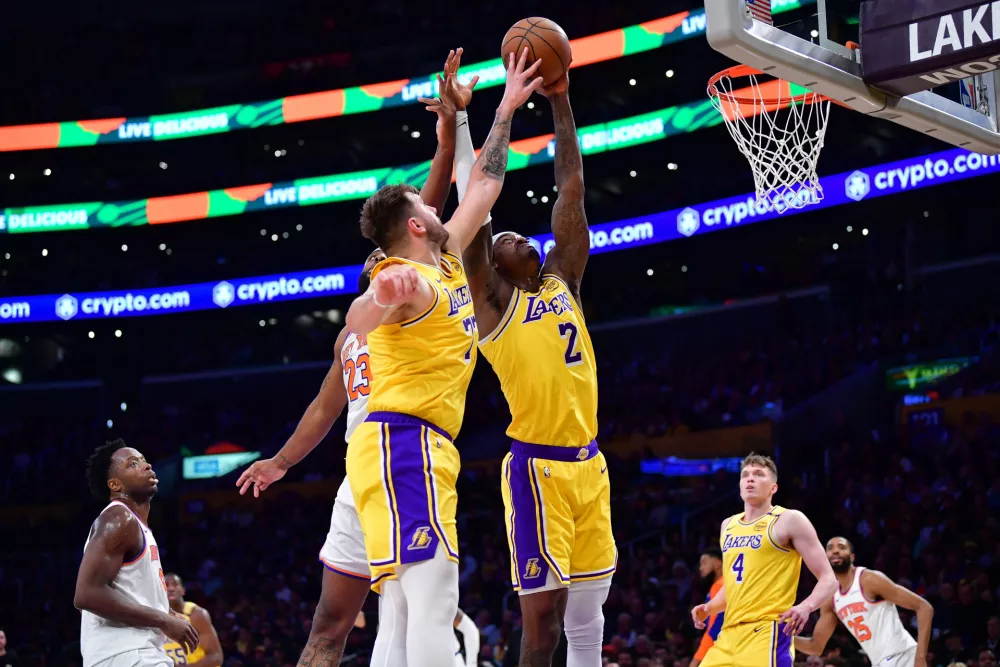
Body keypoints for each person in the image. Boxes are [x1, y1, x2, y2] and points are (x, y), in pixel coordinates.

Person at [234, 47, 470, 667]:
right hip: (384, 459)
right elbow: (323, 404)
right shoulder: (375, 314)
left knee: (370, 615)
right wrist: (281, 461)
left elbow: (429, 211)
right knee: (362, 617)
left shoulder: (396, 298)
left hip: (376, 461)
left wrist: (446, 140)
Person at [343, 46, 542, 667]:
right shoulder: (408, 278)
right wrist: (378, 298)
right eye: (428, 208)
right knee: (432, 599)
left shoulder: (447, 256)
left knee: (402, 614)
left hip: (407, 444)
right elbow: (357, 323)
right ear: (417, 228)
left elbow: (484, 181)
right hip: (405, 441)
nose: (438, 205)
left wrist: (502, 107)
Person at [460, 68, 614, 667]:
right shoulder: (494, 305)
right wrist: (481, 118)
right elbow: (477, 209)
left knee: (588, 617)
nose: (524, 240)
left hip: (589, 464)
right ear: (494, 263)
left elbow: (570, 186)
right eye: (509, 240)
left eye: (528, 237)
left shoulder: (564, 280)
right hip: (536, 469)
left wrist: (561, 100)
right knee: (542, 624)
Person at [690, 453, 837, 667]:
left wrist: (806, 607)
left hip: (767, 632)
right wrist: (710, 607)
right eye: (745, 475)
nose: (750, 479)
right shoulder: (728, 526)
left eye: (759, 474)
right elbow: (734, 583)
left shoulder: (789, 520)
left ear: (773, 488)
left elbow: (828, 579)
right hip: (729, 634)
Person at [74, 440, 198, 667]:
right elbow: (86, 594)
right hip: (129, 654)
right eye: (132, 464)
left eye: (144, 460)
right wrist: (162, 620)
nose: (147, 465)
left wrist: (166, 611)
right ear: (115, 484)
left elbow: (127, 591)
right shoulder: (119, 518)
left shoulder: (135, 525)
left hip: (132, 654)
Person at [795, 537, 934, 667]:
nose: (835, 550)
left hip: (904, 657)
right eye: (830, 548)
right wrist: (783, 638)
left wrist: (920, 657)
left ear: (852, 557)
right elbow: (816, 646)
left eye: (841, 547)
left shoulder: (869, 580)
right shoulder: (830, 599)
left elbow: (924, 607)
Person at [161, 574, 223, 666]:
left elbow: (216, 657)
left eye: (175, 585)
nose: (171, 589)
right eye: (166, 585)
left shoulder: (197, 614)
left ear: (183, 590)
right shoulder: (156, 617)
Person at [690, 548, 725, 667]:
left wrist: (696, 661)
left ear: (718, 563)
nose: (701, 568)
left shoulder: (720, 585)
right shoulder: (727, 583)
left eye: (704, 562)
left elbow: (715, 628)